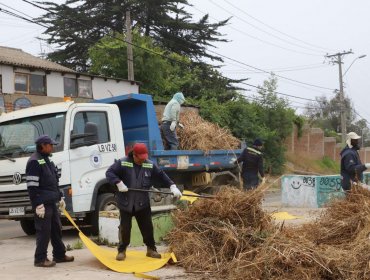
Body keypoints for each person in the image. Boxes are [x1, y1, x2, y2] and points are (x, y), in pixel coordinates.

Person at [105, 143, 182, 261]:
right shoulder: (123, 162)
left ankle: (151, 249)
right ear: (134, 155)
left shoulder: (149, 165)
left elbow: (162, 176)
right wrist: (118, 183)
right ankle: (122, 250)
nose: (142, 161)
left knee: (147, 227)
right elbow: (109, 173)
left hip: (142, 203)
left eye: (144, 158)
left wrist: (172, 186)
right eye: (140, 159)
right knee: (125, 228)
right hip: (126, 202)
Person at [26, 135, 74, 267]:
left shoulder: (47, 160)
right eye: (50, 145)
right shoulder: (34, 161)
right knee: (44, 232)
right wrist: (37, 204)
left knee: (56, 229)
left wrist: (60, 196)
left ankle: (59, 255)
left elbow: (53, 182)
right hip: (43, 204)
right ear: (43, 145)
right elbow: (32, 186)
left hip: (52, 202)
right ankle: (40, 259)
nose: (52, 147)